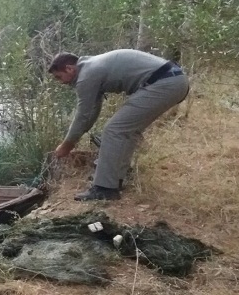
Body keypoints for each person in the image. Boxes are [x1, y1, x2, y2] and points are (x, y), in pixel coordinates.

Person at [47, 49, 189, 201]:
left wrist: (67, 145)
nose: (62, 82)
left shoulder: (86, 76)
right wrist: (73, 140)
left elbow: (83, 116)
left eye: (59, 77)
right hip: (173, 79)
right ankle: (116, 178)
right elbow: (91, 112)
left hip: (164, 83)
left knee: (115, 129)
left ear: (69, 68)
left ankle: (105, 189)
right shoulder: (90, 67)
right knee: (126, 130)